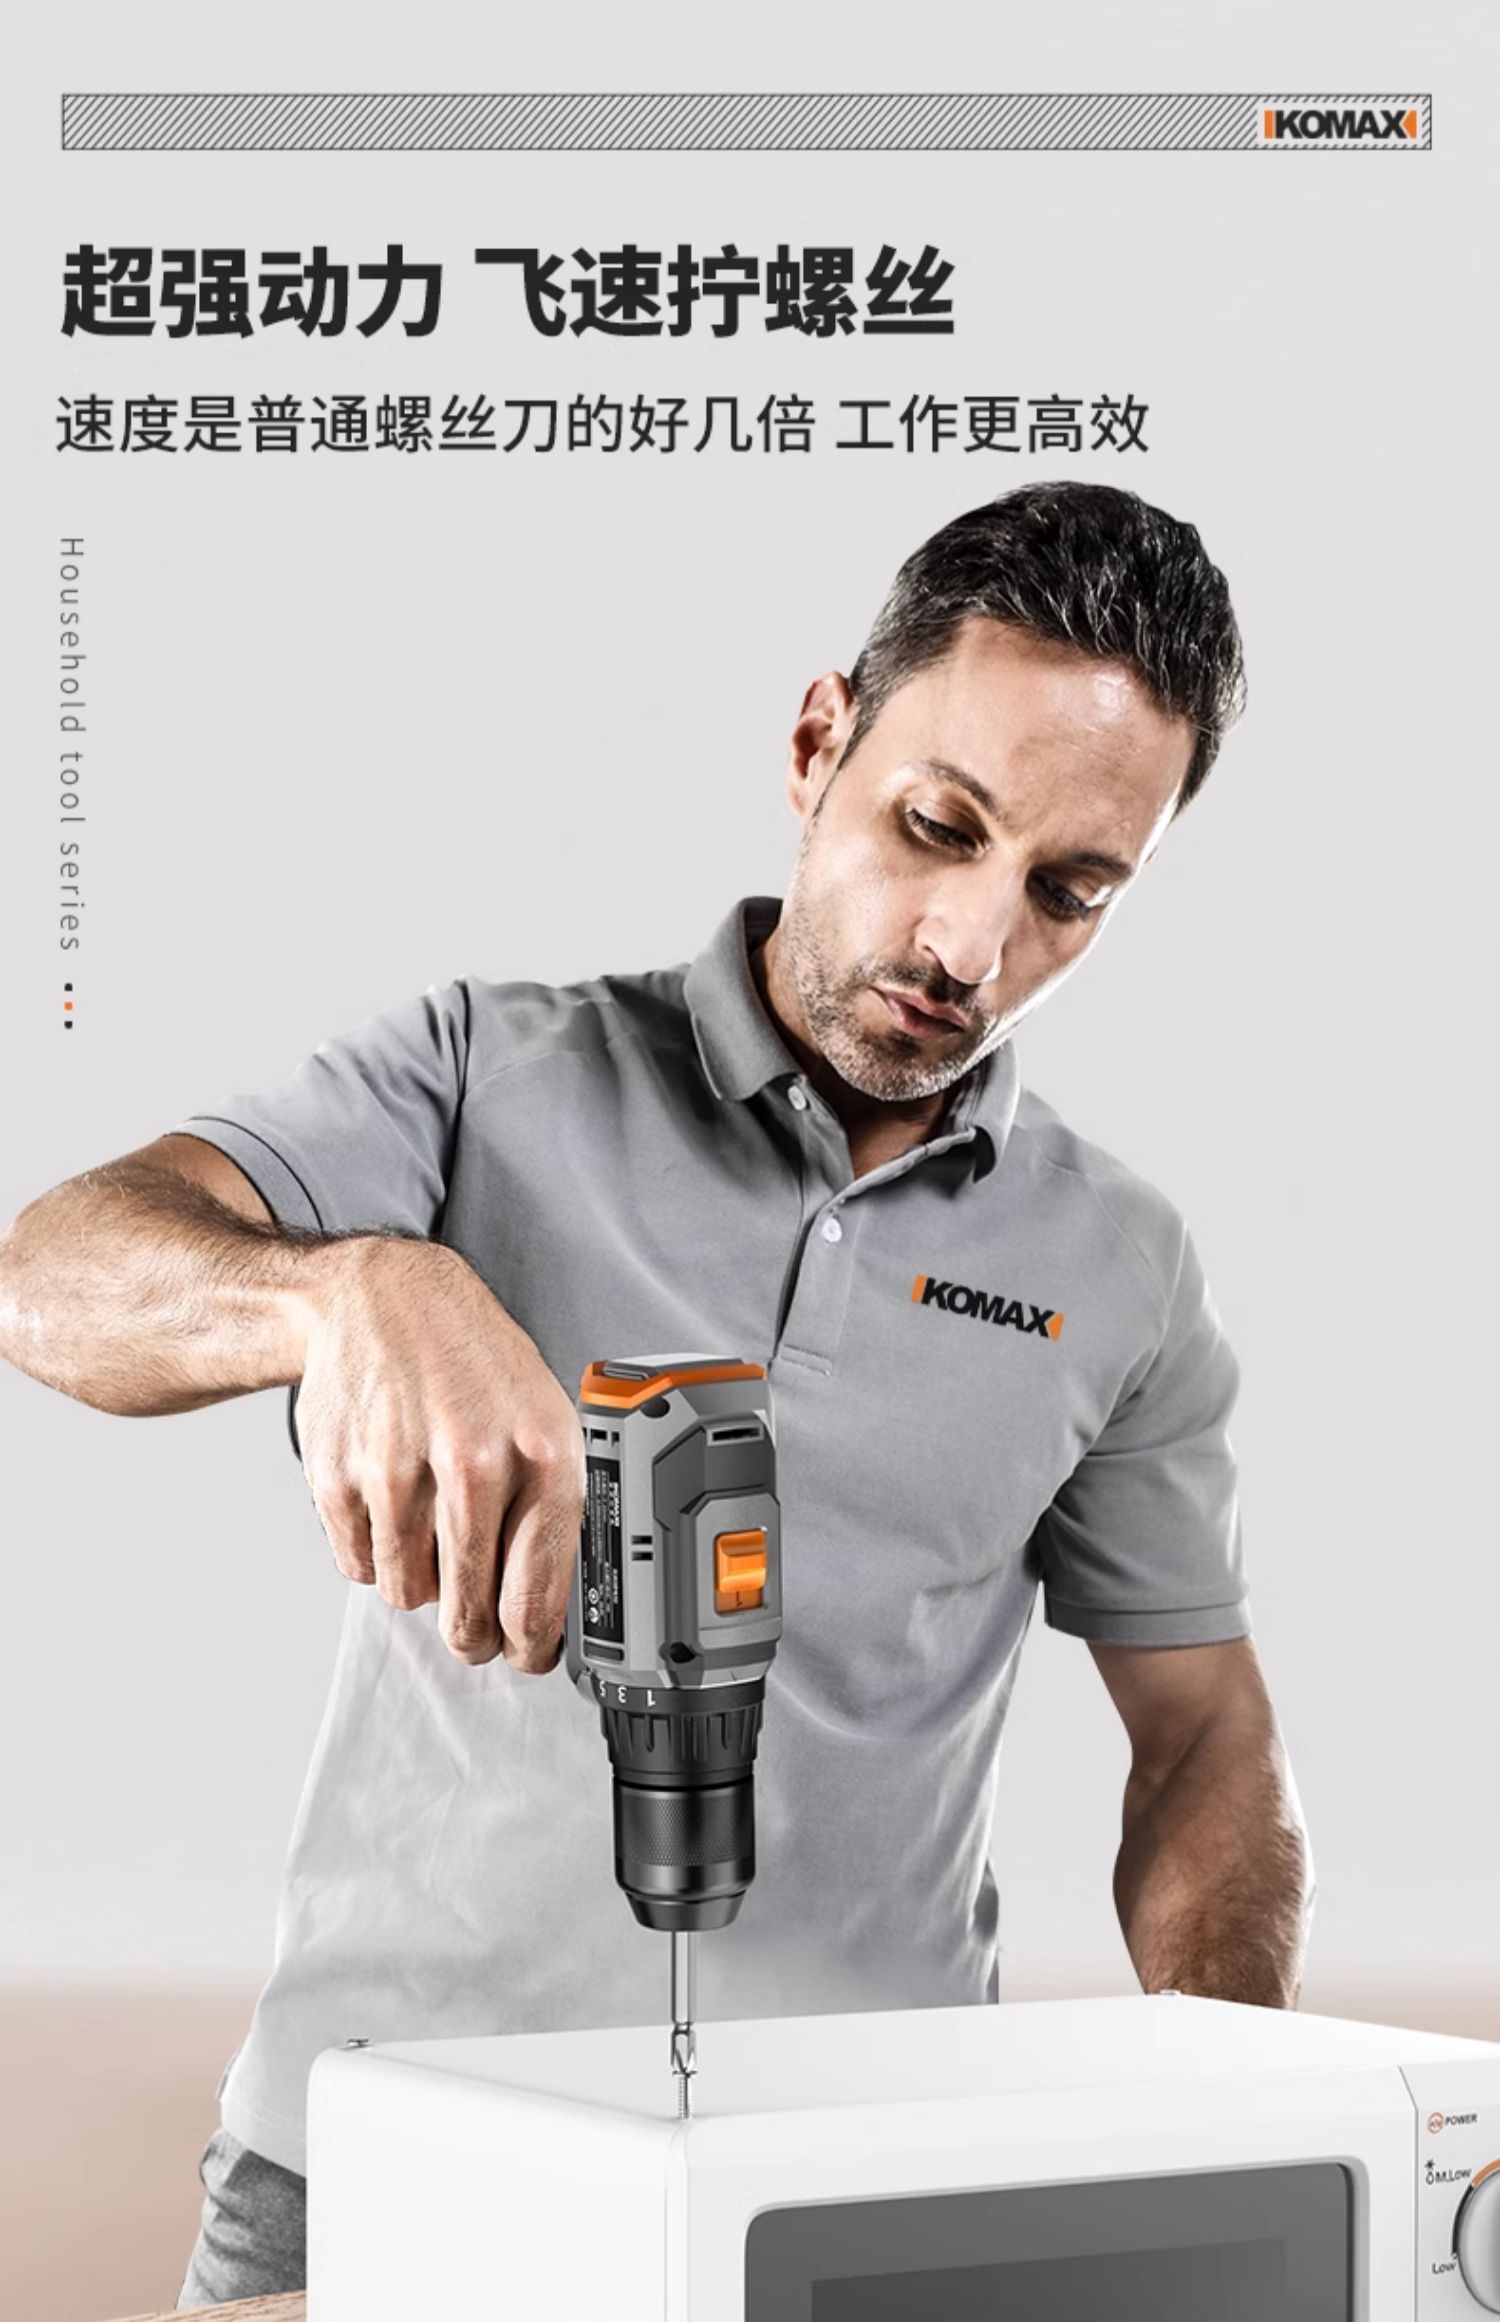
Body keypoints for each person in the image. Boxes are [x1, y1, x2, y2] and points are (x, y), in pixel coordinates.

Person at [0, 481, 1313, 2307]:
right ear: (818, 741)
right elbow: (47, 1274)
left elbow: (1201, 1732)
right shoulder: (483, 1078)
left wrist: (1240, 2107)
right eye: (940, 825)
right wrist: (348, 1287)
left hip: (863, 2191)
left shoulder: (1123, 1264)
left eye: (1068, 892)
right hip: (384, 2156)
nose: (969, 946)